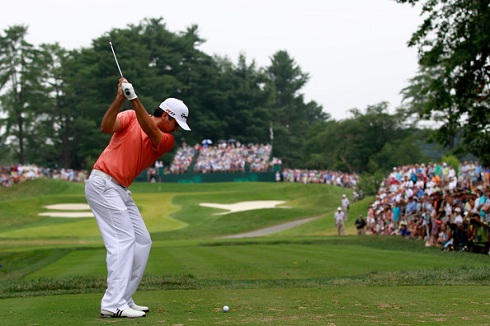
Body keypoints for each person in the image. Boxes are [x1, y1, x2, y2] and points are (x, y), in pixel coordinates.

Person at [84, 78, 191, 318]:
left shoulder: (165, 140)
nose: (176, 130)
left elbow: (150, 129)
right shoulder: (131, 117)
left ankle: (123, 298)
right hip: (103, 183)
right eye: (177, 124)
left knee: (142, 241)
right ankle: (112, 305)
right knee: (124, 240)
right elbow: (106, 126)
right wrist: (120, 98)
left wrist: (133, 98)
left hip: (120, 189)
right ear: (167, 116)